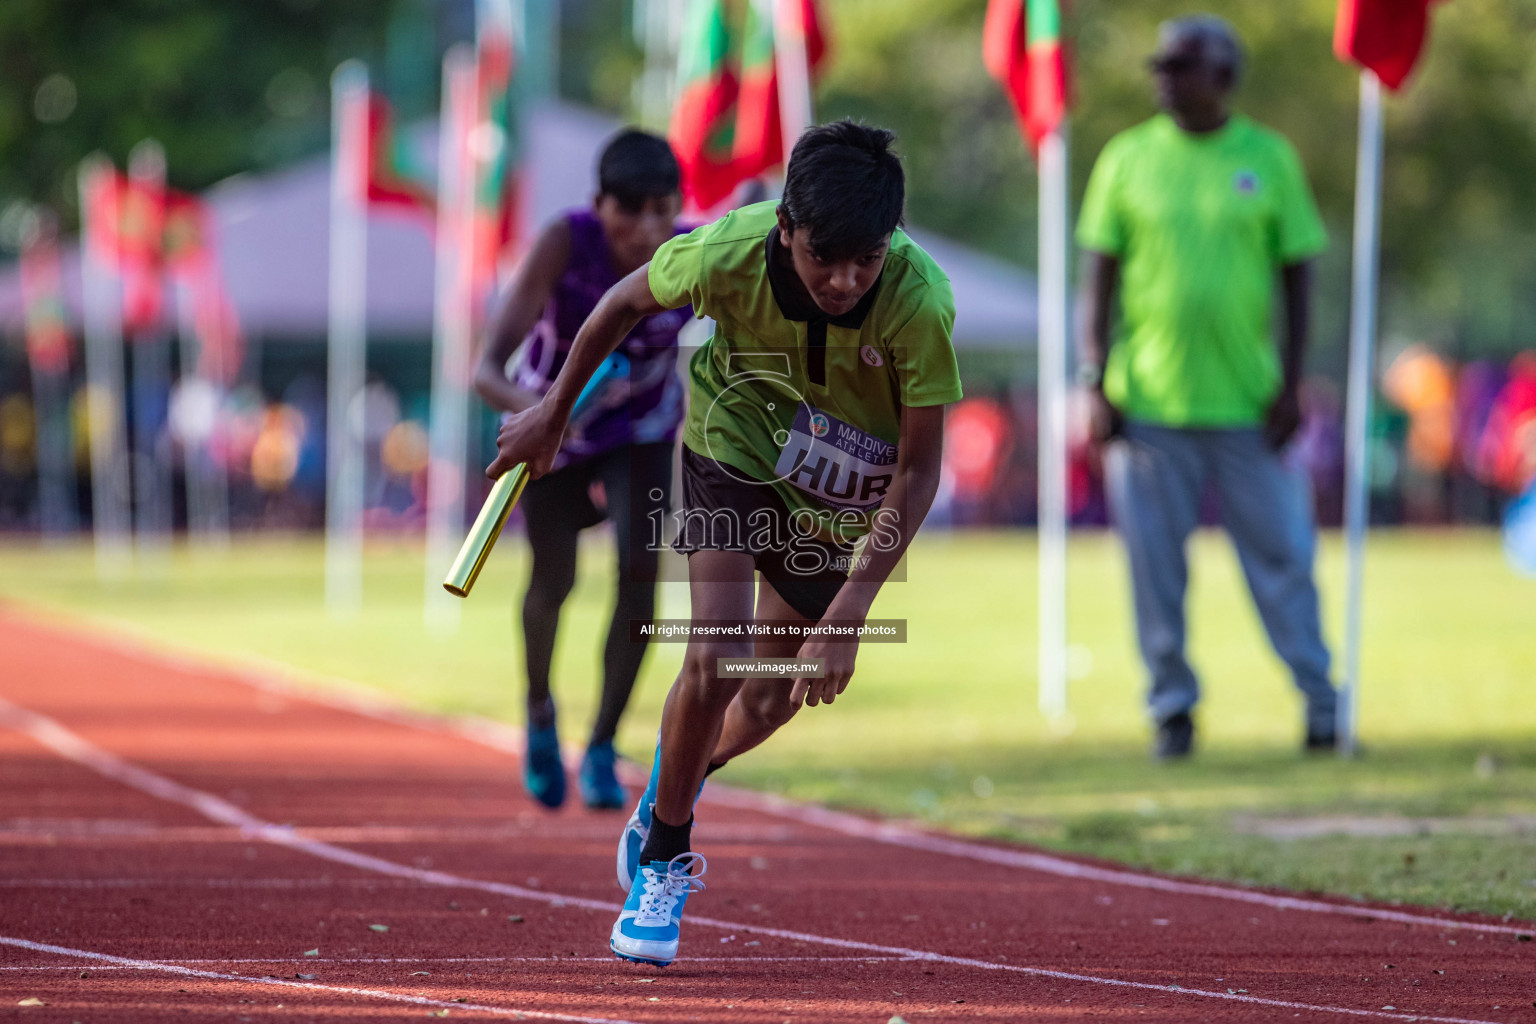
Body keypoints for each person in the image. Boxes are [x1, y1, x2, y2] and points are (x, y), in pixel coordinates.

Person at [486, 120, 961, 966]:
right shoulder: (724, 253)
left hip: (836, 498)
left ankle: (675, 779)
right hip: (730, 447)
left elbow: (920, 472)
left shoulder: (919, 303)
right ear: (786, 227)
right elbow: (619, 303)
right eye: (825, 258)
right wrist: (550, 417)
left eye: (867, 258)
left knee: (774, 696)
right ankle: (664, 860)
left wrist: (850, 610)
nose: (846, 280)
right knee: (719, 658)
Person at [1076, 15, 1341, 759]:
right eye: (1159, 64)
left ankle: (1320, 702)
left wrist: (1292, 383)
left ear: (1224, 75)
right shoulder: (1127, 158)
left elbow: (1299, 276)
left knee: (1283, 558)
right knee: (1155, 570)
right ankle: (1172, 708)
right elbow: (1096, 281)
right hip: (1149, 403)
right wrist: (1094, 380)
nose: (1165, 76)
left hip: (1248, 407)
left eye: (1182, 64)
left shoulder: (1269, 157)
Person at [472, 129, 692, 811]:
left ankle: (601, 742)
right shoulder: (564, 243)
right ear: (599, 204)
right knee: (554, 577)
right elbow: (485, 372)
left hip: (644, 428)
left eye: (665, 210)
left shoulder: (692, 252)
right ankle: (540, 712)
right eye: (632, 211)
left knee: (639, 570)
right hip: (554, 427)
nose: (650, 229)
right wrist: (544, 417)